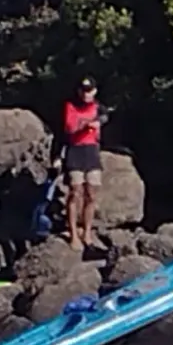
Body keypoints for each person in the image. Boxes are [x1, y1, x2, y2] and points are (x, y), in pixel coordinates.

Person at [63, 76, 103, 250]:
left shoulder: (98, 107)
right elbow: (70, 127)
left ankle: (87, 232)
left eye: (90, 91)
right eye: (84, 91)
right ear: (79, 92)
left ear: (94, 91)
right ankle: (73, 233)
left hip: (91, 151)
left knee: (92, 193)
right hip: (76, 150)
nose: (87, 94)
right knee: (75, 191)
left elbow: (106, 116)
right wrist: (87, 124)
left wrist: (98, 122)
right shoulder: (71, 106)